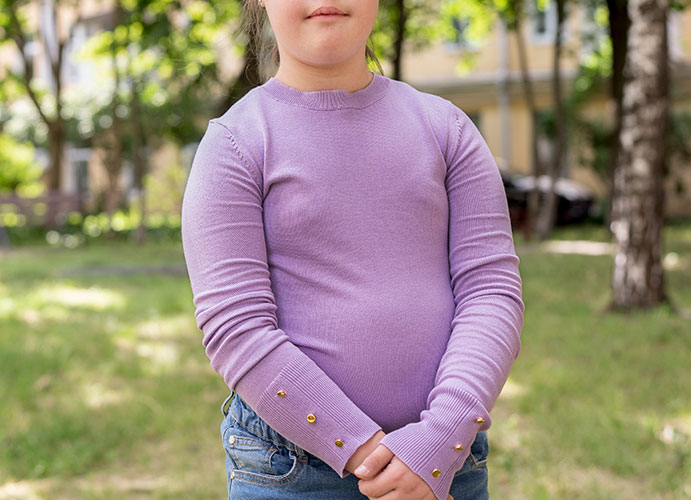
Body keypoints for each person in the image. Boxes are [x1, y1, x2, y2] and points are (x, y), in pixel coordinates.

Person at [179, 1, 525, 499]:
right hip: (291, 472)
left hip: (448, 461)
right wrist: (372, 457)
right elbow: (236, 327)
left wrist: (438, 441)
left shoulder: (447, 130)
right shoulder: (235, 144)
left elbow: (491, 293)